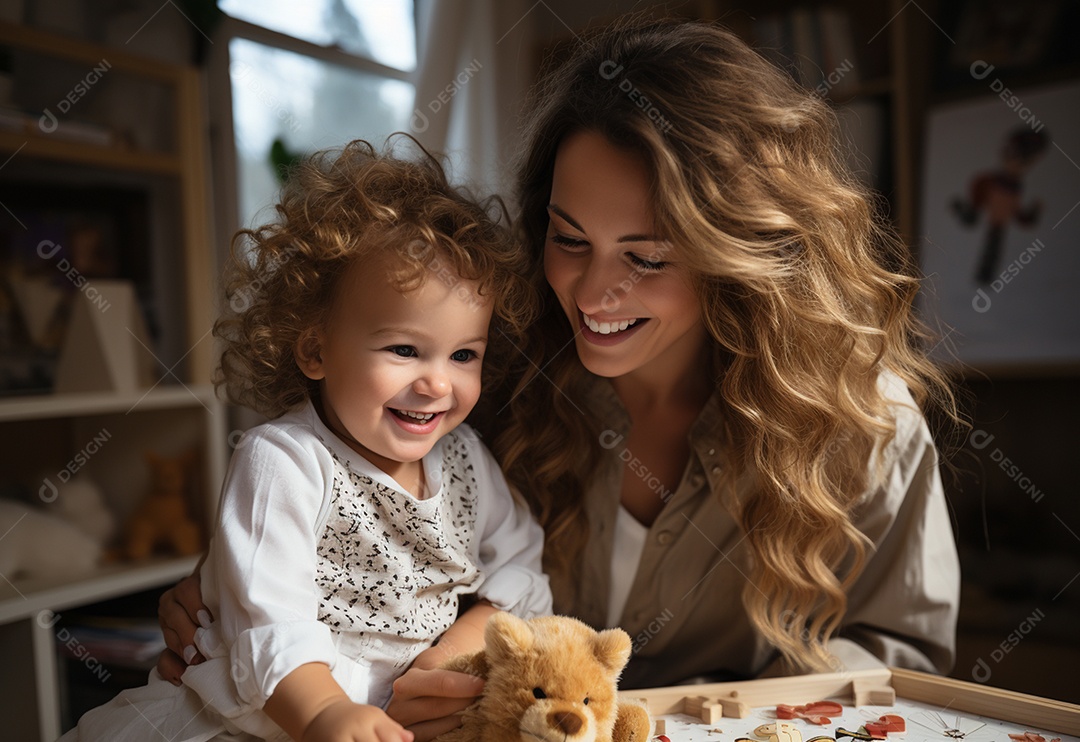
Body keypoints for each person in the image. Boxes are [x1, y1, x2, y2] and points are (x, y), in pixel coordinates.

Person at [157, 17, 963, 741]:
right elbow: (338, 507)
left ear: (741, 255)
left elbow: (900, 660)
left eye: (646, 258)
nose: (592, 293)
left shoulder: (864, 426)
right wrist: (230, 589)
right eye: (570, 240)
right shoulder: (482, 373)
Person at [61, 139, 551, 742]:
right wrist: (324, 713)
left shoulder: (465, 458)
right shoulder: (283, 462)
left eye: (463, 355)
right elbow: (270, 621)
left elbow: (521, 562)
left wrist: (454, 651)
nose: (437, 383)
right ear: (316, 350)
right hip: (259, 722)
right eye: (404, 349)